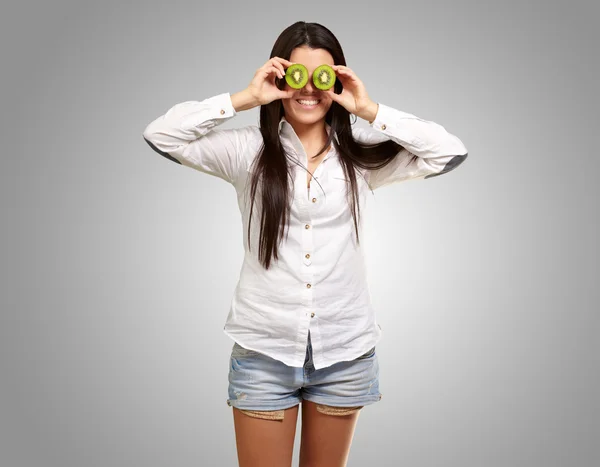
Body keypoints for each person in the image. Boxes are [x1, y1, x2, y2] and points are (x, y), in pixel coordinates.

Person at [142, 20, 468, 467]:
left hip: (345, 352)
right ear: (279, 77)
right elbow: (161, 134)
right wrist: (245, 98)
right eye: (297, 75)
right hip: (264, 352)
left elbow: (448, 150)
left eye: (323, 77)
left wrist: (371, 110)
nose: (309, 89)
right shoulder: (246, 152)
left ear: (338, 80)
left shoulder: (363, 156)